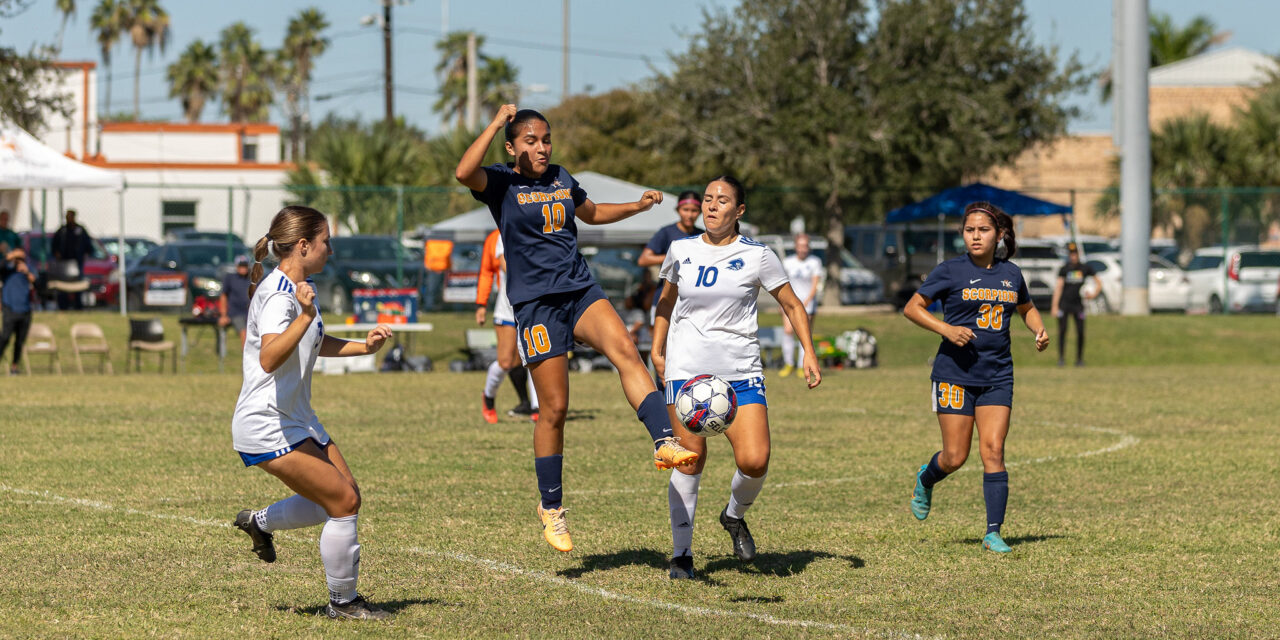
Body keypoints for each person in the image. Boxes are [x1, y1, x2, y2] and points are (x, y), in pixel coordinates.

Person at [456, 104, 698, 554]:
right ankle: (551, 508)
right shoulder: (500, 182)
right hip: (536, 305)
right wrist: (494, 122)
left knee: (626, 349)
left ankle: (664, 440)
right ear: (512, 147)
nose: (542, 147)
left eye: (546, 139)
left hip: (580, 288)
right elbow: (462, 171)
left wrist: (637, 206)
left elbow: (590, 212)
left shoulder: (562, 177)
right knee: (555, 410)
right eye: (531, 141)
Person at [652, 175, 821, 579]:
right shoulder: (680, 249)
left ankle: (733, 515)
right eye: (708, 199)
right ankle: (682, 555)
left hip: (740, 371)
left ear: (739, 211)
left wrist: (809, 353)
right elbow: (665, 300)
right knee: (689, 461)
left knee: (755, 459)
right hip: (687, 372)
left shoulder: (758, 255)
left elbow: (793, 305)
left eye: (722, 200)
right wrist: (657, 349)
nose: (711, 206)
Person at [231, 206, 394, 620]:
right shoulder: (279, 294)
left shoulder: (298, 287)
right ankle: (343, 603)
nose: (330, 250)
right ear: (303, 246)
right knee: (341, 500)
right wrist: (304, 315)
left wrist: (363, 346)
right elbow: (269, 356)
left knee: (341, 499)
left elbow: (312, 340)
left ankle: (260, 522)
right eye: (326, 241)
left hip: (297, 417)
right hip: (267, 423)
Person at [902, 202, 1049, 554]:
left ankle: (993, 532)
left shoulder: (1012, 274)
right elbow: (913, 307)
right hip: (954, 374)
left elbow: (1026, 308)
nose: (976, 236)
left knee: (994, 451)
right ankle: (926, 478)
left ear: (999, 234)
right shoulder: (950, 271)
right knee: (955, 456)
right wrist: (947, 329)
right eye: (970, 230)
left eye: (983, 230)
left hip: (998, 375)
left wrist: (1039, 329)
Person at [475, 228, 539, 423]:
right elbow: (504, 266)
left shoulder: (536, 230)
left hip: (535, 308)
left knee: (536, 358)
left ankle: (538, 408)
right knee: (506, 363)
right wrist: (481, 304)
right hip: (508, 310)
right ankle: (488, 397)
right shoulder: (505, 232)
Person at [637, 190, 703, 325]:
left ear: (700, 212)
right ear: (678, 210)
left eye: (694, 210)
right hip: (665, 298)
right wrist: (674, 257)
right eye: (686, 209)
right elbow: (643, 259)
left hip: (694, 300)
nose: (690, 215)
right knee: (662, 345)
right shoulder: (666, 232)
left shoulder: (703, 235)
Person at [1049, 243, 1101, 367]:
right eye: (1071, 254)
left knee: (1081, 332)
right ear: (1069, 255)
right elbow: (1059, 287)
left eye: (1075, 254)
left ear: (1078, 254)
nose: (1073, 256)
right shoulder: (1064, 269)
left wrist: (1093, 294)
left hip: (1078, 305)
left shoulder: (1085, 268)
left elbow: (1099, 283)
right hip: (1064, 304)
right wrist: (1054, 306)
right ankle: (1061, 359)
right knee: (1062, 331)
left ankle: (1079, 359)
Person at [779, 233, 823, 377]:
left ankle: (801, 366)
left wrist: (807, 300)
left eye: (805, 245)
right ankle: (788, 364)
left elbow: (815, 285)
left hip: (807, 304)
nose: (803, 249)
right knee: (788, 331)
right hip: (790, 303)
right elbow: (782, 284)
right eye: (800, 245)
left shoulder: (815, 262)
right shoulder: (788, 262)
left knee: (804, 334)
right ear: (796, 247)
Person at [0, 248, 36, 375]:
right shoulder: (7, 271)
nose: (19, 261)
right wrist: (9, 257)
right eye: (17, 258)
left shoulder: (28, 269)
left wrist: (26, 272)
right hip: (10, 309)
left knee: (19, 342)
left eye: (21, 258)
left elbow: (37, 282)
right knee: (4, 338)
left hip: (25, 310)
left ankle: (14, 367)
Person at [51, 209, 92, 310]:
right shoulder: (62, 231)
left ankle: (78, 306)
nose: (68, 219)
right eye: (67, 216)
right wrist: (57, 253)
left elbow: (88, 245)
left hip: (77, 262)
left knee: (78, 284)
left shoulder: (80, 230)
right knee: (63, 286)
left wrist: (85, 253)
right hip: (64, 263)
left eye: (70, 216)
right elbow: (54, 245)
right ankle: (63, 307)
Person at [219, 255, 253, 350]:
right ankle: (247, 359)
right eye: (241, 266)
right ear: (236, 266)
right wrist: (223, 315)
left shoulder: (253, 279)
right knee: (244, 334)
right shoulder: (230, 278)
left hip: (250, 313)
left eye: (245, 266)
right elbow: (223, 296)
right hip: (236, 313)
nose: (243, 268)